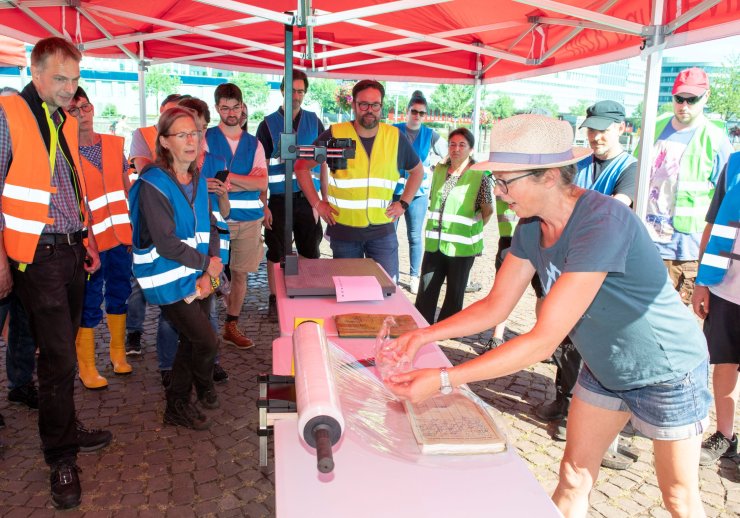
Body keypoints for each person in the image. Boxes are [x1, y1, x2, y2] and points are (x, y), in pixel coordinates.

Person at [388, 114, 711, 518]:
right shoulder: (528, 228)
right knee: (574, 475)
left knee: (679, 497)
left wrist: (442, 380)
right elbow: (495, 306)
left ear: (549, 176)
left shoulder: (602, 220)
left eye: (505, 181)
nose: (500, 193)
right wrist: (424, 336)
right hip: (604, 364)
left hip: (667, 369)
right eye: (496, 181)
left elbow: (543, 340)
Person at [0, 36, 112, 509]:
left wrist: (84, 240)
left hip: (69, 250)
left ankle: (63, 423)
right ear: (35, 71)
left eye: (75, 79)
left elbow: (70, 185)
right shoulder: (8, 111)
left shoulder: (63, 120)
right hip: (37, 256)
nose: (70, 88)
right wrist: (2, 263)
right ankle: (60, 457)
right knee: (60, 358)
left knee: (61, 353)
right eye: (60, 79)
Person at [537, 101, 638, 462]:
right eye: (591, 130)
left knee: (592, 350)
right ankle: (562, 401)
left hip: (604, 278)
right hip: (567, 269)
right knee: (566, 344)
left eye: (602, 130)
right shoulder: (578, 164)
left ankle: (591, 417)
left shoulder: (631, 169)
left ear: (620, 128)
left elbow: (615, 209)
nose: (595, 137)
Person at [129, 106, 223, 429]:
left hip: (197, 274)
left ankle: (178, 405)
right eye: (181, 134)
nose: (191, 140)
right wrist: (207, 264)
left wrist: (213, 258)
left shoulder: (195, 177)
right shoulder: (153, 183)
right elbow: (166, 243)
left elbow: (208, 223)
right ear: (164, 142)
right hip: (168, 280)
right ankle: (199, 388)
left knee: (190, 340)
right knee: (206, 340)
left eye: (195, 133)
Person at [294, 79, 424, 282]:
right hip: (344, 232)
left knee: (386, 290)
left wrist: (404, 203)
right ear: (354, 105)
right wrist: (317, 204)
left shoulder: (395, 137)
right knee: (348, 293)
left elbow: (417, 171)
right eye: (363, 104)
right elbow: (301, 167)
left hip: (382, 231)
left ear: (381, 106)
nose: (369, 110)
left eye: (375, 104)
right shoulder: (335, 135)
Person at [641, 67, 733, 305]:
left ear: (706, 97)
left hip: (684, 250)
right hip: (645, 241)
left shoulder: (715, 137)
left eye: (692, 100)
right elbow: (635, 173)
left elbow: (727, 204)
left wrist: (715, 261)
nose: (684, 105)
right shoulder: (655, 126)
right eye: (679, 99)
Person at [69, 87, 133, 390]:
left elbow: (126, 188)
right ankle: (87, 366)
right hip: (89, 242)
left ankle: (118, 354)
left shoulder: (112, 145)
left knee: (120, 292)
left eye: (85, 107)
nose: (82, 114)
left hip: (120, 237)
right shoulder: (64, 152)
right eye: (73, 110)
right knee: (89, 300)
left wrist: (135, 229)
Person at [256, 71, 327, 318]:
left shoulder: (314, 122)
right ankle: (275, 299)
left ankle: (306, 294)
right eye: (292, 90)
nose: (296, 96)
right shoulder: (266, 124)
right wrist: (263, 205)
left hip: (307, 201)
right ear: (282, 91)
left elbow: (324, 164)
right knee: (276, 254)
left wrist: (321, 201)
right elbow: (261, 168)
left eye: (300, 91)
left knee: (310, 252)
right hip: (277, 200)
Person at [205, 83, 267, 350]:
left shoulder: (254, 143)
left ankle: (231, 325)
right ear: (217, 108)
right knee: (212, 273)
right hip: (215, 219)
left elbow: (262, 183)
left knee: (240, 274)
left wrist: (228, 178)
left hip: (249, 219)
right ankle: (206, 328)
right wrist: (246, 180)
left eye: (235, 107)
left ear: (243, 107)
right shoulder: (206, 138)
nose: (231, 112)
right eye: (225, 108)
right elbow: (203, 179)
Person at [414, 128, 492, 324]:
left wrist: (474, 227)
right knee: (427, 287)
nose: (456, 149)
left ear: (471, 149)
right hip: (435, 244)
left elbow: (487, 209)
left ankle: (447, 330)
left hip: (462, 246)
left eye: (462, 145)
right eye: (452, 144)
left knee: (455, 292)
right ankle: (421, 324)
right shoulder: (440, 171)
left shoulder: (479, 175)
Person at [692, 152, 740, 465]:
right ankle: (725, 436)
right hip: (726, 287)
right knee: (724, 364)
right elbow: (713, 225)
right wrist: (702, 280)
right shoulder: (734, 164)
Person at [179, 95, 230, 384]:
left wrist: (220, 194)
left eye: (198, 129)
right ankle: (168, 368)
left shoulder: (216, 161)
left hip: (208, 248)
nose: (193, 136)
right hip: (178, 251)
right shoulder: (167, 168)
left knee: (207, 308)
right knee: (173, 315)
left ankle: (211, 363)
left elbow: (224, 213)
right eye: (186, 129)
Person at [393, 91, 446, 294]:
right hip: (394, 192)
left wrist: (435, 168)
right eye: (414, 111)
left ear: (426, 115)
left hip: (418, 194)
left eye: (421, 113)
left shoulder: (431, 135)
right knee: (390, 236)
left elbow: (448, 156)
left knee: (415, 236)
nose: (417, 116)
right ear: (407, 112)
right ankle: (392, 275)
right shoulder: (393, 130)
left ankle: (414, 276)